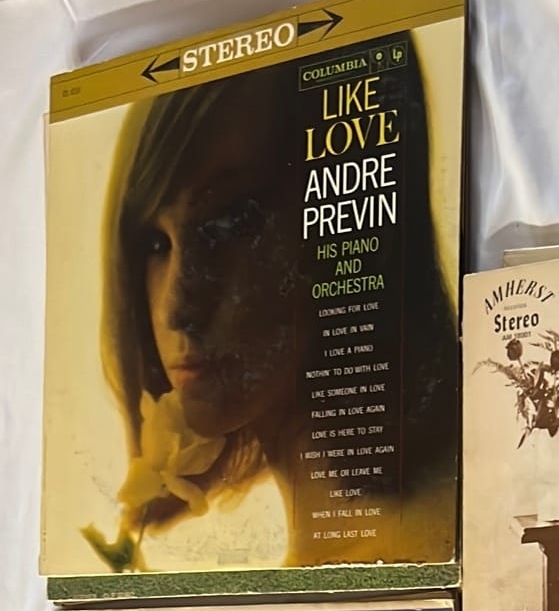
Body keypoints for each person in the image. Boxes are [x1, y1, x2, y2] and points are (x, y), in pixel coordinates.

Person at [89, 44, 457, 569]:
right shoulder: (360, 553)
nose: (176, 308)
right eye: (155, 242)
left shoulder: (422, 548)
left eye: (232, 221)